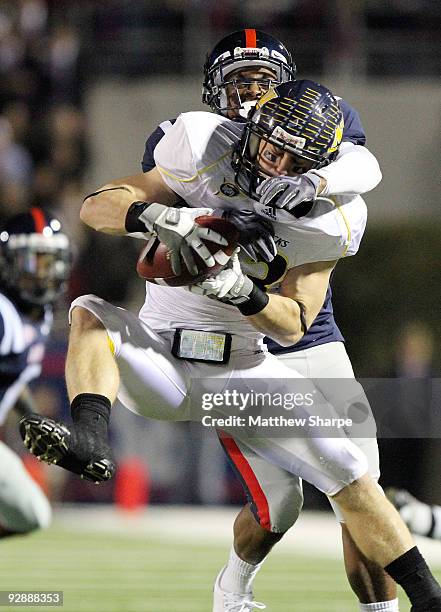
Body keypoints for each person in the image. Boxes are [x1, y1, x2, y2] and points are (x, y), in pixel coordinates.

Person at [20, 80, 441, 611]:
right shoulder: (202, 145)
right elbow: (96, 207)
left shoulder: (331, 215)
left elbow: (294, 324)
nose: (274, 162)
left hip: (240, 374)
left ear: (318, 168)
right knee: (89, 313)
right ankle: (89, 438)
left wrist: (243, 293)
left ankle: (428, 599)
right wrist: (160, 215)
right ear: (253, 127)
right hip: (162, 359)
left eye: (293, 158)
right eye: (271, 144)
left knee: (351, 474)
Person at [142, 29, 400, 612]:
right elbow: (152, 217)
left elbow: (363, 162)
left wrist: (311, 180)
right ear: (214, 89)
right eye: (239, 81)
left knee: (361, 484)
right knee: (279, 501)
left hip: (308, 328)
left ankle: (381, 609)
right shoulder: (189, 139)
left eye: (264, 80)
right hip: (234, 336)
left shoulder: (320, 119)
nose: (252, 92)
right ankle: (232, 590)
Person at [0, 207, 71, 537]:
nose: (42, 273)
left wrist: (33, 420)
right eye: (33, 261)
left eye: (49, 261)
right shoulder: (3, 314)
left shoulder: (36, 316)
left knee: (32, 515)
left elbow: (16, 381)